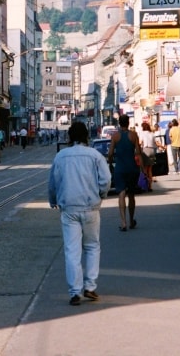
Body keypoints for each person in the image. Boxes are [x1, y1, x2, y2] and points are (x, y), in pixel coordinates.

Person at [48, 121, 112, 306]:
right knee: (92, 246)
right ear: (86, 136)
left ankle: (74, 292)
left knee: (72, 250)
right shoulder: (95, 155)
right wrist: (101, 194)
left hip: (69, 209)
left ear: (70, 137)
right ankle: (90, 287)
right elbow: (106, 179)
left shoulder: (61, 156)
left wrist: (53, 200)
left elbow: (53, 182)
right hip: (91, 207)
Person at [107, 114, 141, 232]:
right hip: (132, 168)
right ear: (128, 123)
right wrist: (141, 168)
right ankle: (131, 220)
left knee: (121, 194)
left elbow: (110, 153)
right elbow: (138, 153)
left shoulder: (115, 136)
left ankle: (123, 222)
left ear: (119, 123)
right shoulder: (133, 135)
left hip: (120, 169)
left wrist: (110, 163)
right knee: (131, 195)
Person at [138, 121, 156, 191]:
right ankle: (150, 186)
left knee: (145, 169)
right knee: (150, 170)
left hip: (146, 150)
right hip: (152, 151)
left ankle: (145, 185)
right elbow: (155, 142)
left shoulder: (142, 133)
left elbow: (140, 142)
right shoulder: (152, 134)